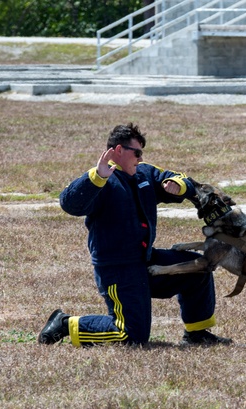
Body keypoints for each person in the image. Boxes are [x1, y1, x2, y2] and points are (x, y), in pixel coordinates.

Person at [38, 123, 231, 347]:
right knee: (131, 336)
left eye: (142, 154)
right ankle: (65, 324)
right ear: (118, 151)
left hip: (146, 261)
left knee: (197, 267)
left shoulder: (144, 173)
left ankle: (197, 334)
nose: (139, 159)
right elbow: (69, 203)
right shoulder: (100, 180)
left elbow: (176, 177)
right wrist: (97, 177)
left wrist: (178, 185)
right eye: (136, 153)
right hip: (119, 270)